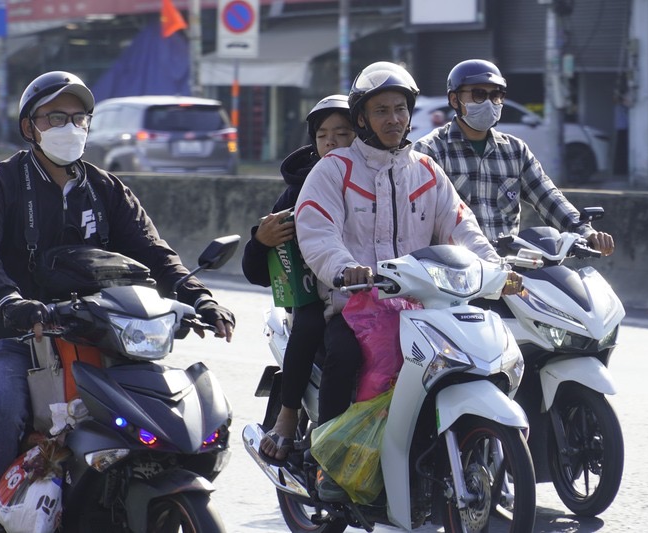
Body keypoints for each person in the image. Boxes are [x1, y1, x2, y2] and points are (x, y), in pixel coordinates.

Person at [0, 71, 235, 533]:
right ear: (30, 127)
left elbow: (153, 251)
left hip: (102, 333)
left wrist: (198, 298)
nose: (70, 126)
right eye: (56, 117)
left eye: (79, 117)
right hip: (17, 334)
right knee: (2, 407)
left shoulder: (106, 189)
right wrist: (9, 299)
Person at [293, 62, 522, 501]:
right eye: (381, 110)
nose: (393, 119)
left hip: (424, 306)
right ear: (362, 117)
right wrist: (346, 269)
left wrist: (496, 269)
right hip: (353, 305)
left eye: (400, 109)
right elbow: (316, 230)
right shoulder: (334, 170)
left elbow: (462, 226)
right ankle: (332, 464)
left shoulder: (426, 172)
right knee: (343, 355)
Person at [242, 95, 355, 463]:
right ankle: (289, 415)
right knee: (310, 324)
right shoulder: (297, 192)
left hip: (375, 294)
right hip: (316, 296)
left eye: (342, 133)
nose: (332, 142)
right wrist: (261, 241)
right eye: (323, 135)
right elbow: (257, 271)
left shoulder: (378, 180)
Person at [412, 59, 615, 255]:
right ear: (454, 99)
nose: (490, 103)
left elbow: (548, 197)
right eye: (479, 94)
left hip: (508, 272)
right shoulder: (430, 151)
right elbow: (412, 220)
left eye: (496, 96)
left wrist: (584, 231)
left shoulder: (515, 151)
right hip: (454, 275)